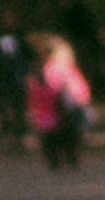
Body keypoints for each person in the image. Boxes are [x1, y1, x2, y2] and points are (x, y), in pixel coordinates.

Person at [26, 32, 92, 166]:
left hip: (48, 112)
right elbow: (80, 89)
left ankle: (55, 160)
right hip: (65, 110)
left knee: (50, 139)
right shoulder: (65, 68)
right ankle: (71, 158)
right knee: (69, 137)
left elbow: (34, 91)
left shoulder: (41, 70)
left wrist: (34, 108)